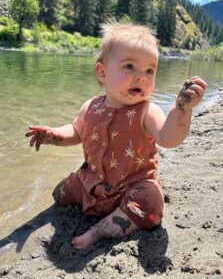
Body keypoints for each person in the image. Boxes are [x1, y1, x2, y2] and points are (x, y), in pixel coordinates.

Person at [26, 23, 207, 250]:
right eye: (129, 66)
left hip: (130, 188)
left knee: (150, 205)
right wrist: (53, 135)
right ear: (102, 72)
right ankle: (86, 207)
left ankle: (99, 231)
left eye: (149, 71)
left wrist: (181, 110)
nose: (141, 77)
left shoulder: (147, 111)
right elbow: (75, 132)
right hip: (89, 183)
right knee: (59, 193)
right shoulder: (90, 107)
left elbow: (168, 137)